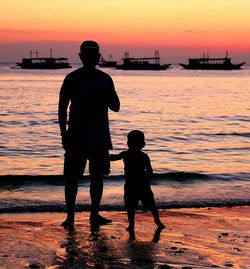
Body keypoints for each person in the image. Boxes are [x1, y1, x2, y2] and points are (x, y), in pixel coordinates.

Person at [58, 40, 120, 228]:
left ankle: (94, 214)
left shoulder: (105, 79)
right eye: (88, 55)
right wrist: (63, 134)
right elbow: (61, 108)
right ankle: (70, 217)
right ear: (81, 56)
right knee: (71, 178)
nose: (91, 58)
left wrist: (105, 94)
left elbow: (116, 106)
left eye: (94, 55)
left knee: (97, 176)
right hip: (76, 135)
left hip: (99, 136)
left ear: (98, 56)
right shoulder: (72, 78)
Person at [110, 130, 165, 232]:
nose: (133, 145)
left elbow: (113, 158)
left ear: (128, 143)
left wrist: (102, 157)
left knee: (133, 206)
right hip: (140, 184)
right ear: (143, 144)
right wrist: (148, 180)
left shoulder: (127, 154)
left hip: (134, 184)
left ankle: (133, 224)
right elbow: (150, 171)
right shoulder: (141, 156)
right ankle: (156, 221)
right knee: (149, 205)